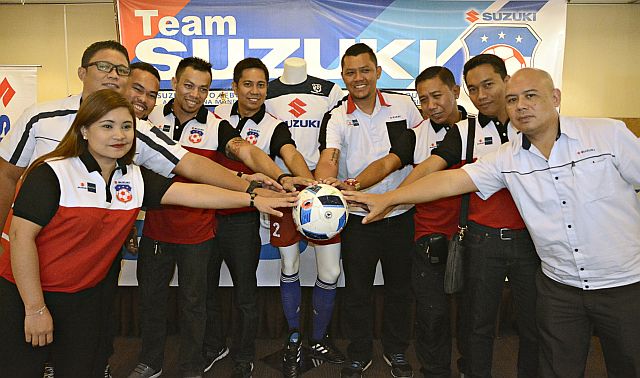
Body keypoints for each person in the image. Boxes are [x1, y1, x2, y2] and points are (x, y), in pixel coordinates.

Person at [344, 67, 640, 378]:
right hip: (560, 286)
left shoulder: (608, 134)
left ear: (555, 98)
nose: (520, 106)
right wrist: (388, 198)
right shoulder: (507, 157)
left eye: (530, 97)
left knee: (629, 363)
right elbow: (449, 180)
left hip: (623, 283)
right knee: (557, 366)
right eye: (513, 100)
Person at [0, 89, 295, 378]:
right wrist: (35, 309)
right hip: (26, 293)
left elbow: (194, 194)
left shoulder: (133, 176)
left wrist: (253, 198)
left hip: (83, 296)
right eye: (108, 126)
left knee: (79, 369)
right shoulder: (51, 173)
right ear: (85, 131)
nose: (119, 135)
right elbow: (21, 238)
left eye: (127, 126)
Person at [398, 54, 539, 377]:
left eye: (488, 85)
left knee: (534, 325)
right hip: (482, 239)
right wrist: (390, 201)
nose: (482, 95)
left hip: (532, 240)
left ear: (507, 81)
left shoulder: (532, 122)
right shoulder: (465, 130)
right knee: (478, 325)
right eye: (475, 89)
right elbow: (430, 169)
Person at [315, 43, 423, 378]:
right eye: (351, 72)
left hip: (401, 214)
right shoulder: (336, 115)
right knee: (356, 291)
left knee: (399, 290)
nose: (358, 78)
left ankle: (396, 351)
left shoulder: (406, 107)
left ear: (377, 72)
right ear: (343, 77)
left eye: (365, 70)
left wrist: (360, 182)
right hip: (358, 218)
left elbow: (411, 154)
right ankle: (359, 352)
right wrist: (325, 185)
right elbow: (328, 157)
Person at [202, 57, 315, 378]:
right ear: (234, 86)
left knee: (245, 294)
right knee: (204, 288)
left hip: (242, 219)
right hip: (206, 214)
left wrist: (308, 182)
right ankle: (213, 345)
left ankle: (245, 353)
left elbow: (290, 153)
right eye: (247, 84)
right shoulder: (214, 119)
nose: (254, 91)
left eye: (261, 85)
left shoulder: (274, 125)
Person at [264, 57, 346, 376]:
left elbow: (335, 141)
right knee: (289, 265)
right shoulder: (266, 91)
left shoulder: (329, 91)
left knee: (329, 271)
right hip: (284, 190)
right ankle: (295, 335)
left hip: (323, 192)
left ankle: (319, 337)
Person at [403, 66, 468, 378]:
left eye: (437, 96)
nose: (431, 106)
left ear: (455, 92)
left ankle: (471, 367)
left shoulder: (480, 130)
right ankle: (434, 371)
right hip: (429, 237)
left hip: (474, 238)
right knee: (432, 315)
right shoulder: (416, 134)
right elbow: (391, 162)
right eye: (423, 99)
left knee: (474, 316)